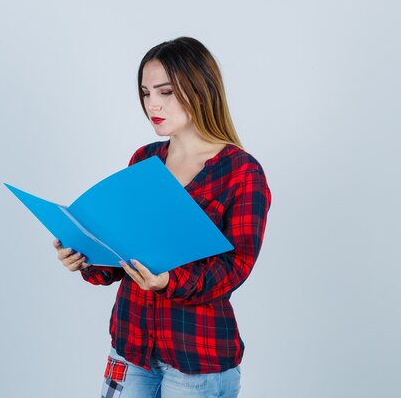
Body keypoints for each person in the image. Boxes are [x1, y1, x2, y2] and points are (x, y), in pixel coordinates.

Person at [53, 37, 271, 398]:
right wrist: (84, 256)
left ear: (200, 91)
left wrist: (169, 280)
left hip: (197, 357)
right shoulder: (144, 160)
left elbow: (237, 266)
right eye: (145, 92)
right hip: (130, 345)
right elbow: (123, 249)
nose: (152, 104)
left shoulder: (242, 172)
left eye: (166, 92)